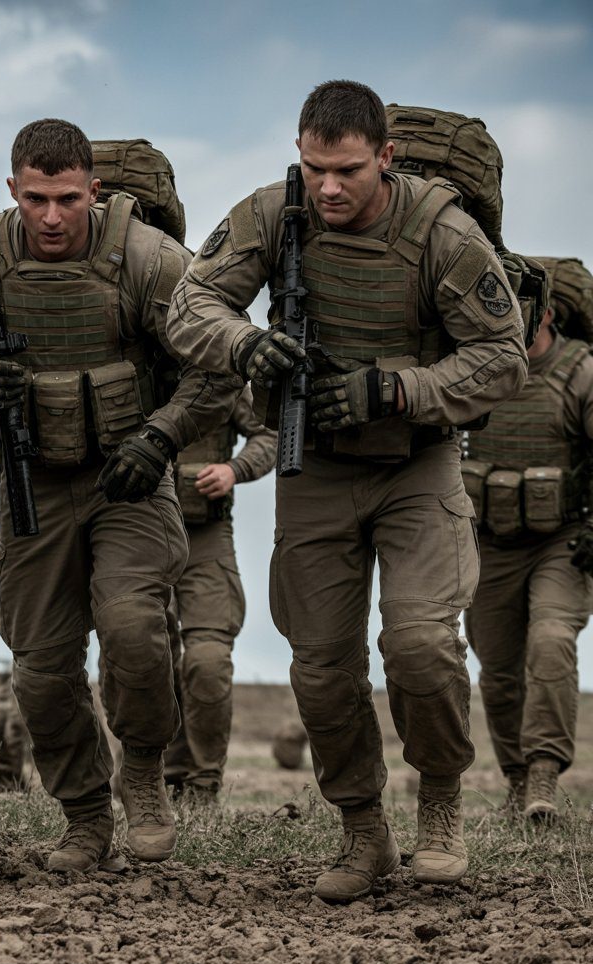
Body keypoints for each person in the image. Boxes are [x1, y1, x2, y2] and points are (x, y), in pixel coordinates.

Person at [166, 80, 526, 901]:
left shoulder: (442, 231)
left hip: (416, 464)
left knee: (422, 646)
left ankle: (439, 802)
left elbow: (504, 357)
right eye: (315, 167)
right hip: (315, 464)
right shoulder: (270, 215)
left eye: (349, 171)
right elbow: (190, 303)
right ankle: (363, 829)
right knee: (321, 668)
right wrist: (244, 345)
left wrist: (394, 390)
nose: (329, 187)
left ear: (386, 158)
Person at [0, 117, 239, 871]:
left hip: (131, 480)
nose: (50, 217)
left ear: (94, 189)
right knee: (41, 669)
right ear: (15, 192)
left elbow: (219, 367)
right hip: (34, 483)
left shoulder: (149, 260)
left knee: (134, 632)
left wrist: (159, 437)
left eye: (65, 199)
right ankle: (85, 814)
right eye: (34, 200)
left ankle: (145, 773)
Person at [463, 273, 593, 822]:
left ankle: (543, 774)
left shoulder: (580, 373)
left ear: (545, 314)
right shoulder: (472, 369)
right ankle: (516, 781)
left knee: (550, 639)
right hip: (488, 543)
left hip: (562, 540)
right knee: (497, 667)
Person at [165, 385, 276, 799]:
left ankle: (203, 786)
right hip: (135, 533)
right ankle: (156, 777)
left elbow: (270, 434)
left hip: (205, 534)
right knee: (141, 656)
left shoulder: (220, 375)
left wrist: (235, 468)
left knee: (208, 661)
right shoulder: (134, 359)